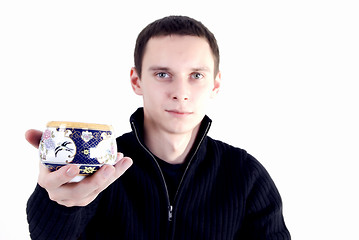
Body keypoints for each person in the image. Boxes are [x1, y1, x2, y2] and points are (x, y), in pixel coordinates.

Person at [26, 15, 291, 239]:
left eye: (196, 75)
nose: (180, 92)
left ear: (216, 83)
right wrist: (61, 205)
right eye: (163, 74)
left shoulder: (245, 175)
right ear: (136, 80)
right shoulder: (97, 169)